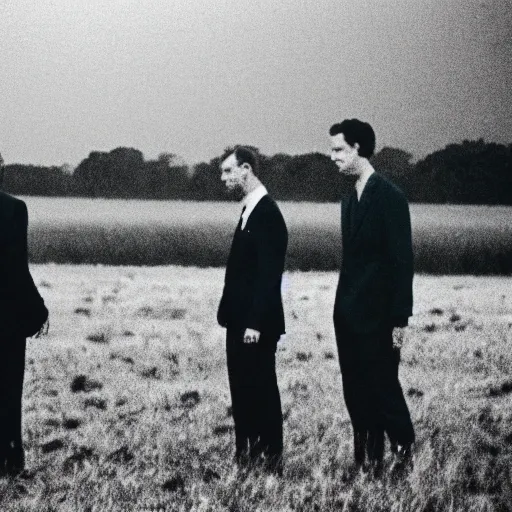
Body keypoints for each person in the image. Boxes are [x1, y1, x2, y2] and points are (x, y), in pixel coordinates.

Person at [330, 120, 415, 477]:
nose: (332, 156)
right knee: (356, 394)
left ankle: (405, 452)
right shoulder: (350, 200)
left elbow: (402, 262)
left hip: (380, 319)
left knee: (383, 389)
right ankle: (368, 461)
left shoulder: (390, 197)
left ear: (359, 149)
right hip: (348, 317)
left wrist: (399, 320)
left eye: (338, 150)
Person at [217, 146, 287, 475]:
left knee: (260, 393)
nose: (224, 179)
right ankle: (246, 458)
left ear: (246, 169)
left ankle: (270, 461)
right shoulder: (249, 210)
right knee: (243, 393)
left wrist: (255, 325)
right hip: (240, 322)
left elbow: (268, 276)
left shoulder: (267, 214)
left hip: (254, 326)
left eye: (228, 171)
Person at [0, 153, 49, 477]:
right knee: (6, 388)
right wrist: (38, 311)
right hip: (4, 319)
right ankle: (9, 459)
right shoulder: (13, 209)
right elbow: (16, 267)